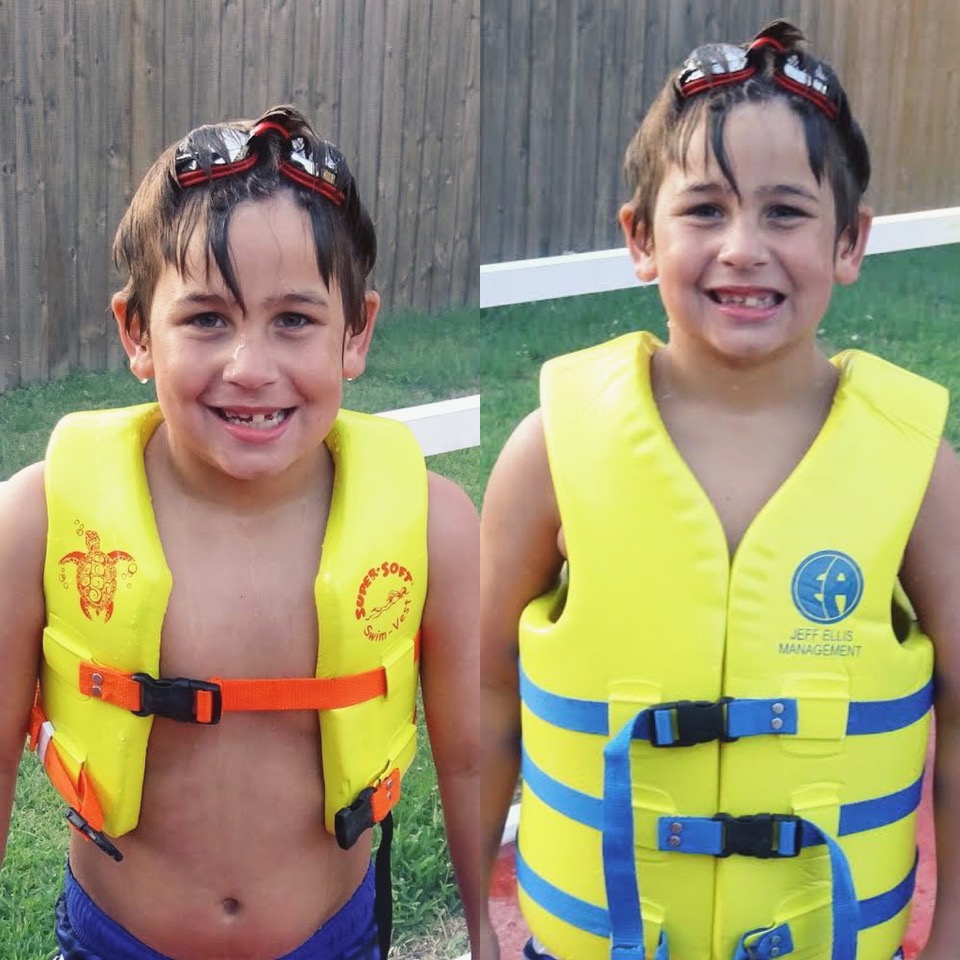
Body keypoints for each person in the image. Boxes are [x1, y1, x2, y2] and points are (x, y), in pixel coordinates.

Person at [480, 20, 960, 960]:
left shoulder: (924, 477)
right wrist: (478, 933)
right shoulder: (550, 452)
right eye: (704, 210)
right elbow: (489, 698)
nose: (743, 248)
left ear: (851, 240)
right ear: (640, 238)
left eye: (786, 212)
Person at [0, 104, 480, 960]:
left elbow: (472, 762)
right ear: (138, 332)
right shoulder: (38, 519)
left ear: (356, 331)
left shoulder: (433, 525)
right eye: (207, 320)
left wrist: (486, 933)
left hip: (333, 939)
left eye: (293, 319)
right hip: (118, 940)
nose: (249, 368)